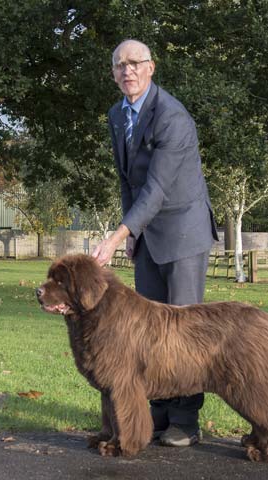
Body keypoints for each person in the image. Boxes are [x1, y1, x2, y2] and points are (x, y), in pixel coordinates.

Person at [92, 39, 218, 447]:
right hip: (148, 234)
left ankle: (186, 421)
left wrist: (118, 235)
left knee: (183, 333)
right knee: (149, 333)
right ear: (112, 73)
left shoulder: (172, 116)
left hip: (183, 232)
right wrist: (135, 233)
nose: (127, 71)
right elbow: (130, 183)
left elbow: (158, 189)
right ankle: (158, 414)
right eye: (119, 65)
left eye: (135, 63)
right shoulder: (116, 114)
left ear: (151, 67)